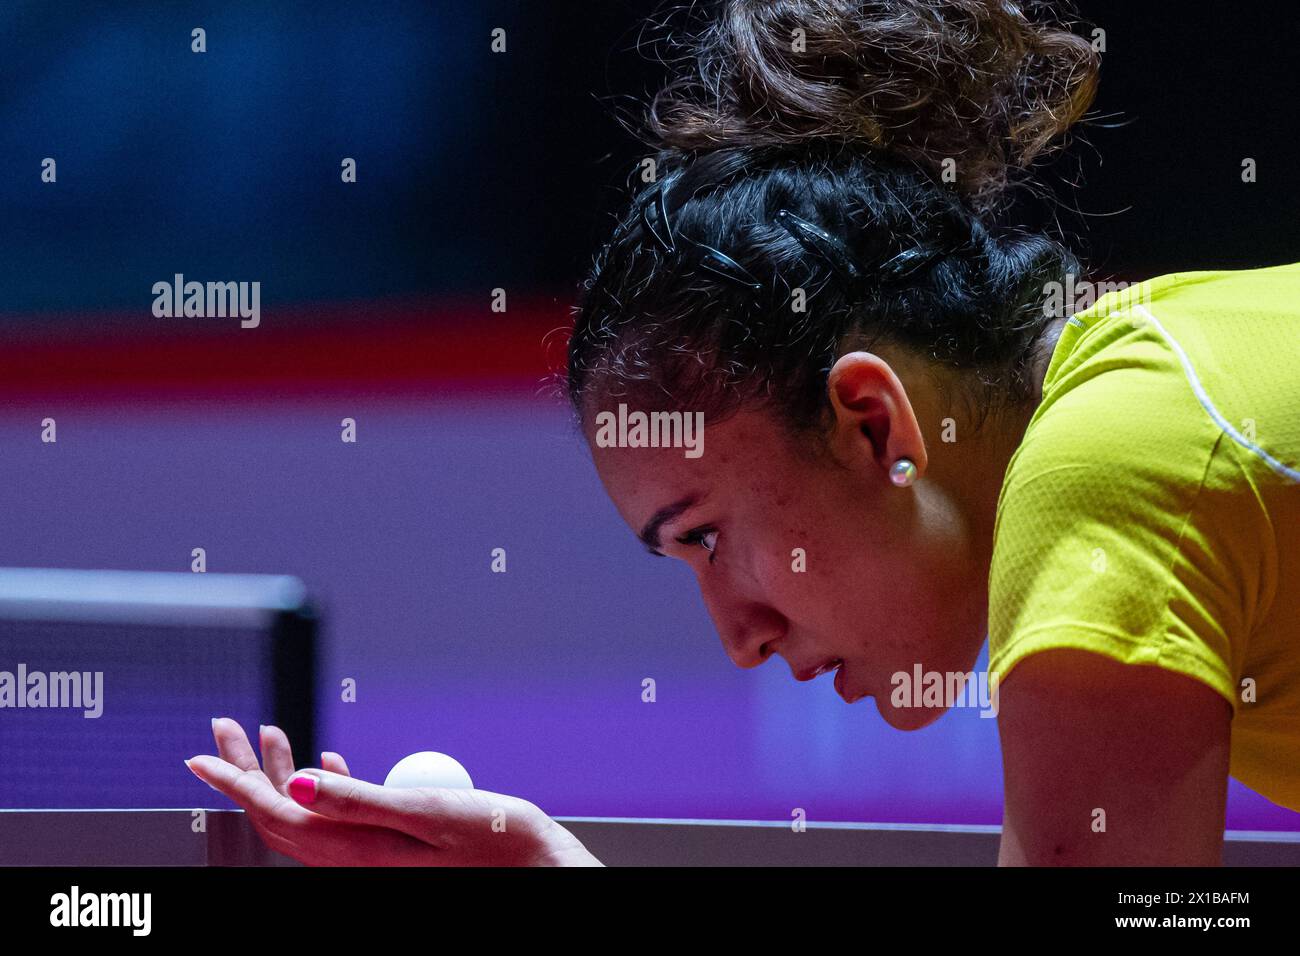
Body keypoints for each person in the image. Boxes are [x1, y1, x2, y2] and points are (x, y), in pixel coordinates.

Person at [187, 0, 1300, 865]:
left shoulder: (1105, 476)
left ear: (872, 422)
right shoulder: (1168, 379)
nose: (738, 636)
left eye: (707, 532)